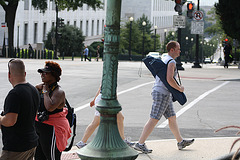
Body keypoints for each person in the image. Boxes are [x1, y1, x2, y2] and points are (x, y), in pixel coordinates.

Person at [134, 41, 194, 154]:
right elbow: (169, 79)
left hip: (163, 93)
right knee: (154, 118)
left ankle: (180, 142)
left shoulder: (165, 58)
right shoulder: (171, 62)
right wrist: (179, 88)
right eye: (178, 49)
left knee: (172, 117)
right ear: (172, 50)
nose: (180, 51)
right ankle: (140, 143)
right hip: (162, 93)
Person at [0, 59, 39, 160]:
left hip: (16, 147)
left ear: (9, 75)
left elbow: (9, 121)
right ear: (25, 73)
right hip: (31, 142)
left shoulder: (14, 94)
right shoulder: (33, 90)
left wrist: (0, 118)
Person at [35, 61, 71, 160]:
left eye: (45, 72)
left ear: (54, 74)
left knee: (52, 157)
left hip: (52, 129)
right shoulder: (42, 87)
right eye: (41, 72)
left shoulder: (59, 92)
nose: (42, 74)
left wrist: (45, 91)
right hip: (40, 128)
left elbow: (49, 107)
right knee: (38, 157)